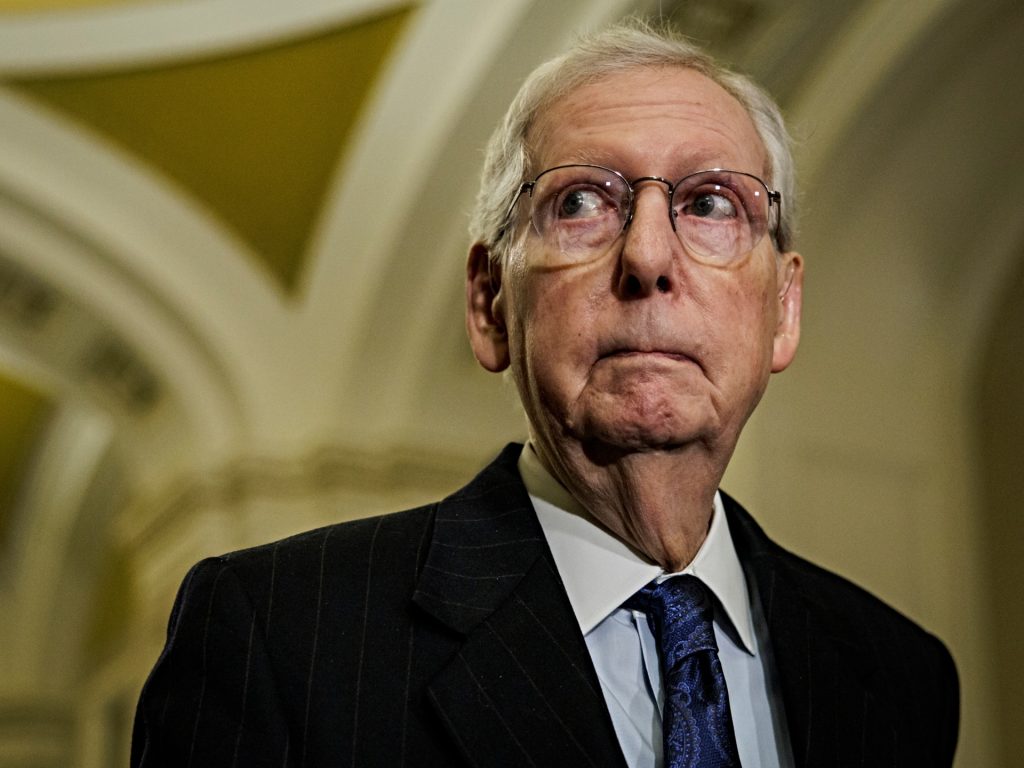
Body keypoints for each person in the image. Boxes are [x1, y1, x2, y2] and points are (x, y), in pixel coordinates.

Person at [131, 20, 959, 768]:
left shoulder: (897, 673)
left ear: (783, 308)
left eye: (710, 203)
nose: (648, 257)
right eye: (581, 202)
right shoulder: (278, 635)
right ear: (490, 303)